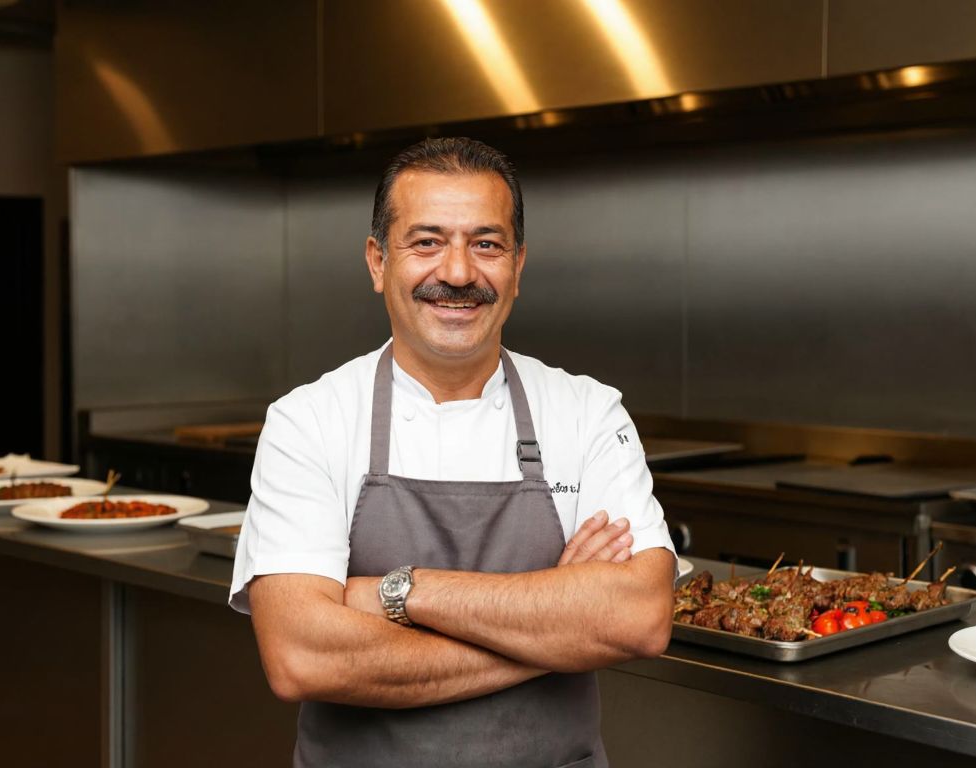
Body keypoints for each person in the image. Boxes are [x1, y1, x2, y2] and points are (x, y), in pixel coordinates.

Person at [229, 137, 675, 768]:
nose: (459, 273)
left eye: (486, 243)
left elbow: (640, 617)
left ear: (519, 264)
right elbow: (302, 656)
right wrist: (554, 627)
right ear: (378, 262)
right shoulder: (309, 420)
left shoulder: (587, 412)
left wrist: (397, 592)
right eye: (427, 241)